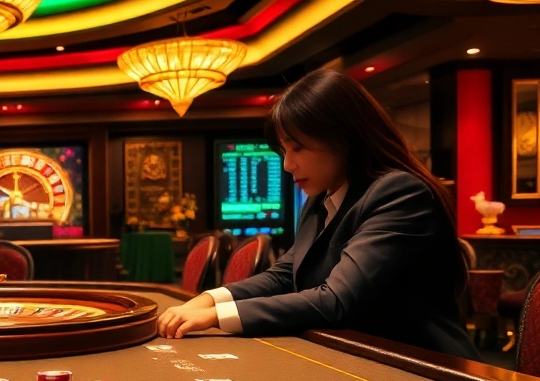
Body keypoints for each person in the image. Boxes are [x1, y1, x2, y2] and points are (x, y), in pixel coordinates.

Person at [157, 69, 478, 360]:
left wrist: (218, 317)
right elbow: (283, 275)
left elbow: (337, 300)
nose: (288, 164)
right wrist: (210, 299)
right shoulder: (321, 198)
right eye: (285, 151)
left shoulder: (399, 193)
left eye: (298, 148)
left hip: (425, 365)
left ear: (344, 139)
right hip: (358, 353)